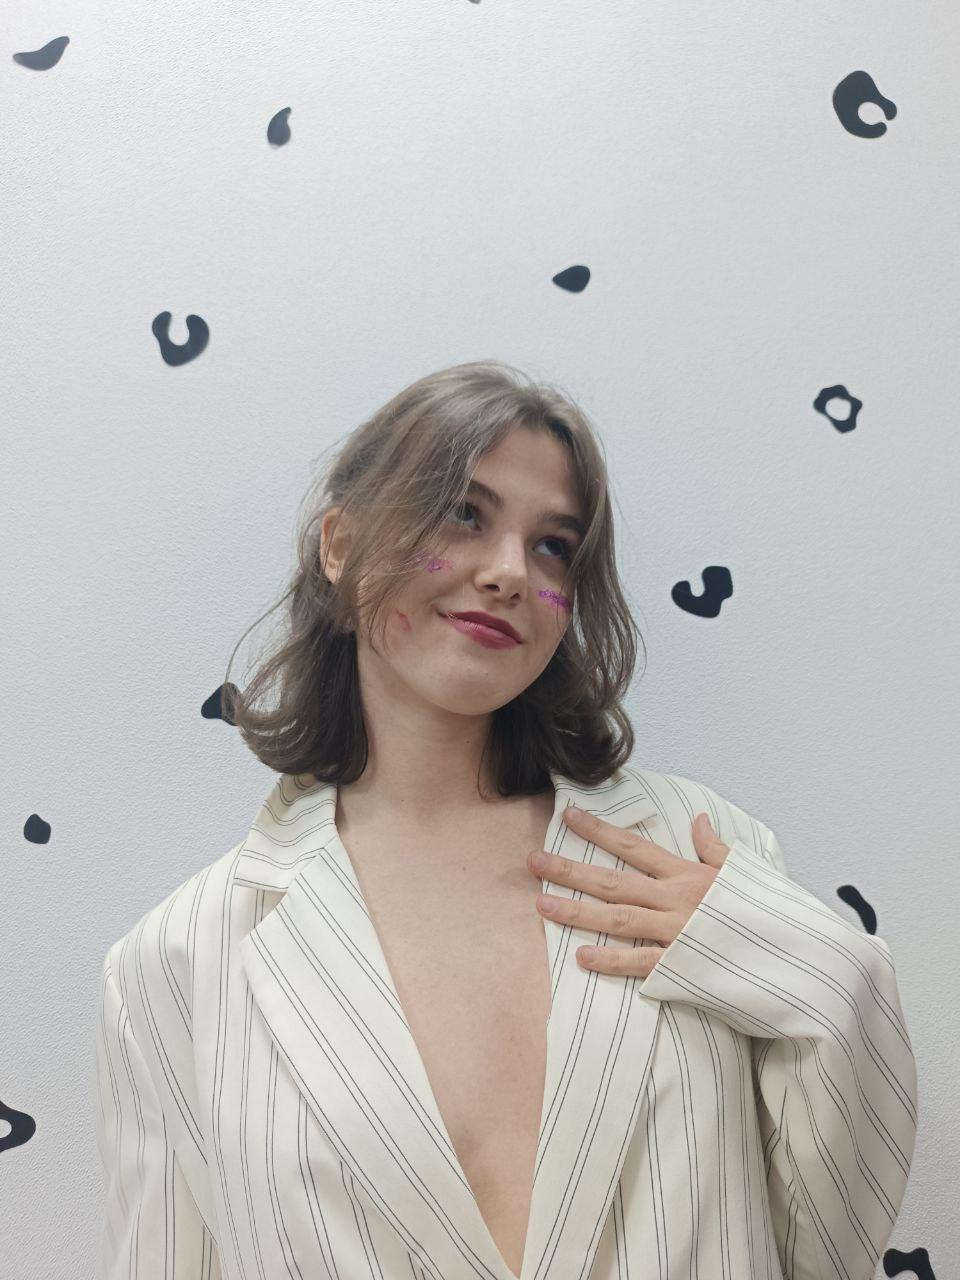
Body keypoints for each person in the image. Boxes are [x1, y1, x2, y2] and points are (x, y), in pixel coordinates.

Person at [94, 360, 917, 1280]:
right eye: (462, 513)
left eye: (554, 546)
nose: (508, 574)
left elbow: (832, 1238)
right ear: (340, 544)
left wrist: (807, 961)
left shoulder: (693, 848)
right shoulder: (176, 965)